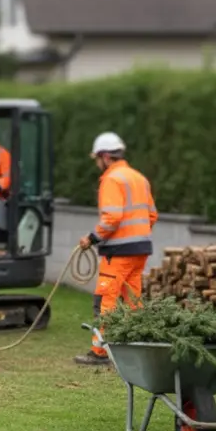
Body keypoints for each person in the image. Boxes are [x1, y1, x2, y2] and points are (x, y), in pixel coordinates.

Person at [74, 131, 158, 367]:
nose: (97, 164)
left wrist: (92, 238)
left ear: (105, 156)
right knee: (133, 301)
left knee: (105, 300)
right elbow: (152, 214)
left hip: (118, 253)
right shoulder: (138, 178)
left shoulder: (112, 179)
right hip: (140, 250)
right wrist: (136, 236)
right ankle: (139, 348)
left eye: (97, 159)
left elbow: (112, 217)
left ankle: (99, 352)